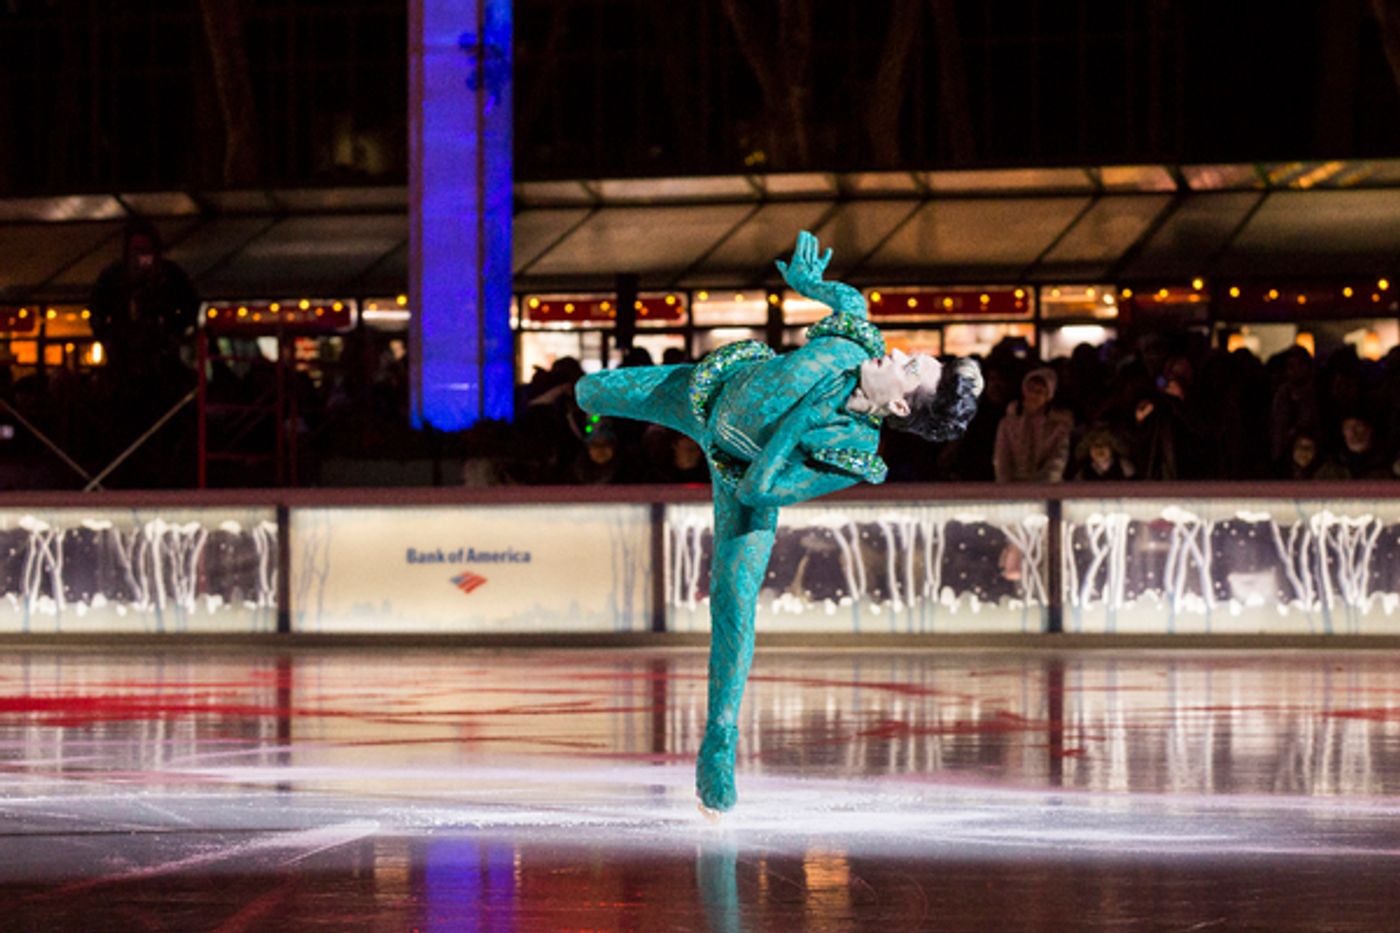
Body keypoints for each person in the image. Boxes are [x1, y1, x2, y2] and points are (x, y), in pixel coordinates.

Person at [575, 231, 983, 813]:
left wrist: (799, 421)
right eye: (908, 353)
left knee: (734, 598)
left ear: (899, 406)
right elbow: (850, 303)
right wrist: (812, 286)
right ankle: (606, 419)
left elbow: (759, 487)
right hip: (703, 392)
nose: (897, 354)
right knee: (589, 393)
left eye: (910, 368)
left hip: (741, 476)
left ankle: (719, 740)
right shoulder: (853, 342)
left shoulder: (853, 452)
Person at [993, 367, 1073, 482]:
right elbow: (1002, 459)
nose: (1033, 395)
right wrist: (1006, 487)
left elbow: (1057, 460)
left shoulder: (1058, 427)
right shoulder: (1008, 424)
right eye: (1030, 389)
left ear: (1048, 396)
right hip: (1012, 490)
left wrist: (1039, 488)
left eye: (1039, 392)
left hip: (1045, 489)